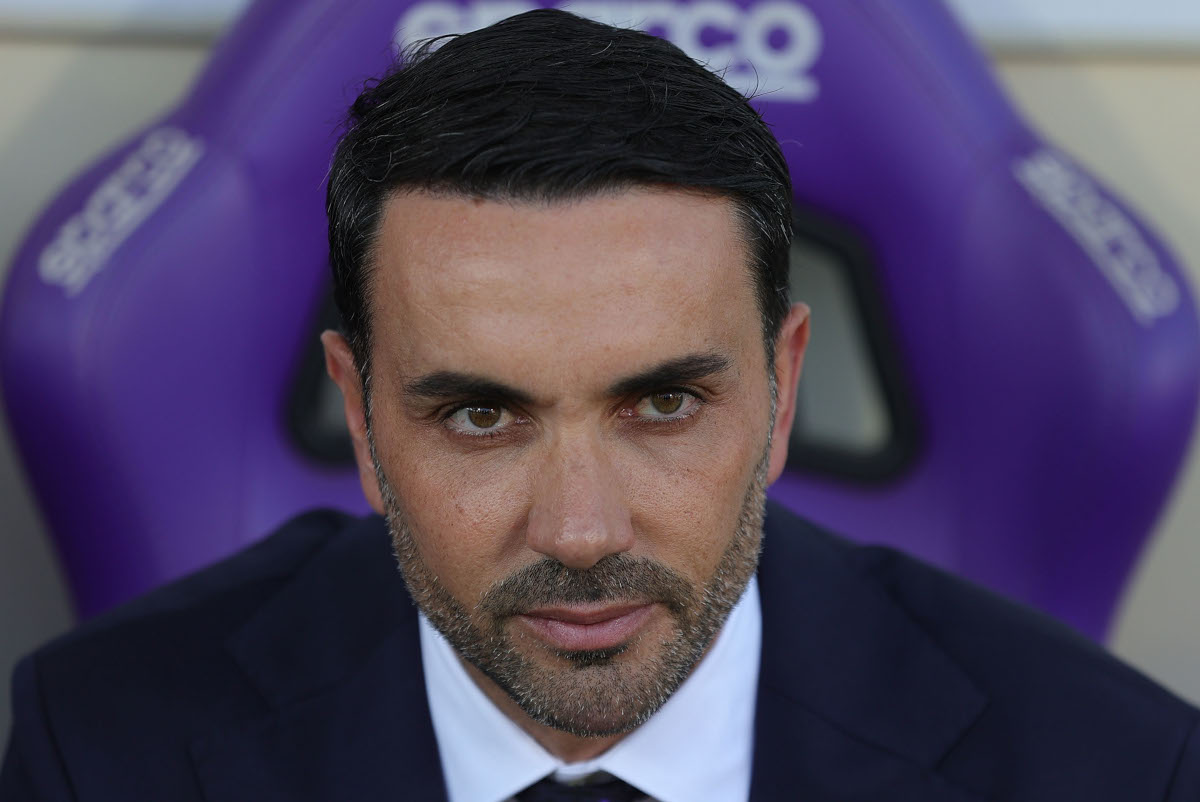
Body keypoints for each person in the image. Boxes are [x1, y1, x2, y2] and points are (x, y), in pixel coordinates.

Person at [3, 9, 1198, 801]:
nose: (581, 534)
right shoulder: (107, 746)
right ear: (361, 422)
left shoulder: (1108, 768)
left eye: (664, 404)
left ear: (782, 394)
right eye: (480, 417)